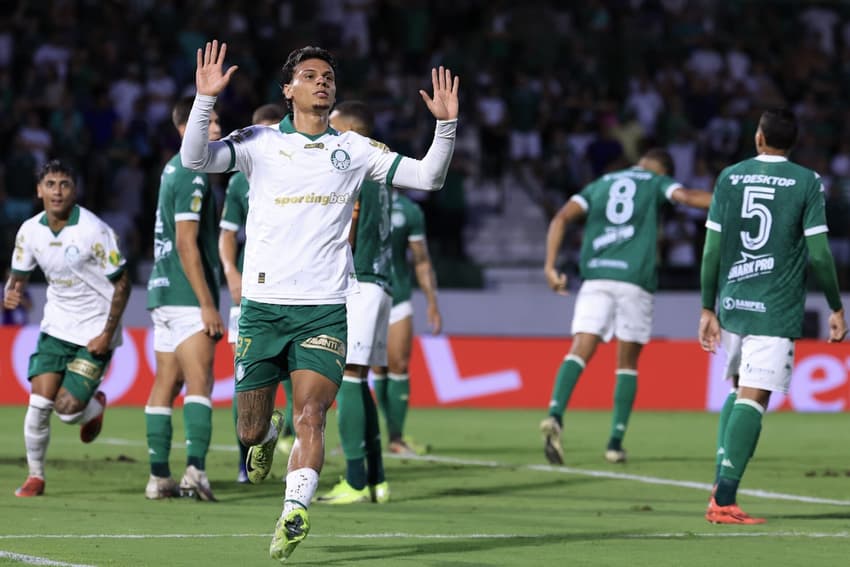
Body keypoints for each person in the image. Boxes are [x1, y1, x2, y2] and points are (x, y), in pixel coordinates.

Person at [181, 41, 458, 562]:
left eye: (328, 75)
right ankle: (266, 436)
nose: (321, 81)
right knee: (249, 429)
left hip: (324, 308)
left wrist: (444, 127)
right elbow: (196, 157)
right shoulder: (258, 142)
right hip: (263, 308)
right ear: (288, 90)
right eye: (309, 75)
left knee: (312, 413)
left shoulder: (353, 149)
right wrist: (202, 101)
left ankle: (294, 510)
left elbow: (430, 177)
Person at [699, 108, 847, 524]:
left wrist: (707, 306)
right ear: (792, 144)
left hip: (732, 301)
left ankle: (718, 484)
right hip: (775, 305)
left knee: (736, 389)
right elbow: (819, 252)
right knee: (755, 397)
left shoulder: (730, 175)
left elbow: (712, 249)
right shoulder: (806, 181)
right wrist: (836, 306)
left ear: (759, 138)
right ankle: (724, 500)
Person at [541, 148, 712, 465]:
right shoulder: (656, 182)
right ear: (663, 171)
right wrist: (730, 202)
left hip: (596, 276)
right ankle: (614, 443)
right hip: (634, 279)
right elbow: (687, 197)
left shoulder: (600, 184)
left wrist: (551, 267)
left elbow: (561, 217)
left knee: (580, 347)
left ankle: (555, 413)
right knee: (627, 363)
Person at [4, 159, 130, 497]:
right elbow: (17, 275)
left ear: (74, 190)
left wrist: (107, 333)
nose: (57, 191)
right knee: (39, 406)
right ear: (39, 190)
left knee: (67, 412)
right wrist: (11, 292)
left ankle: (93, 406)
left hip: (94, 332)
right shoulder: (30, 230)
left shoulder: (94, 230)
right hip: (56, 328)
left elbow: (122, 284)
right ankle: (35, 476)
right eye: (50, 184)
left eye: (64, 184)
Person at [144, 96, 224, 502]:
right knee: (199, 380)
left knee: (166, 381)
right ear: (184, 128)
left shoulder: (171, 169)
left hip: (161, 289)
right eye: (208, 123)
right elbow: (187, 243)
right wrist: (208, 303)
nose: (216, 129)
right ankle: (195, 470)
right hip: (186, 293)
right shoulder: (192, 172)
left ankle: (159, 477)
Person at [316, 100, 391, 505]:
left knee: (347, 377)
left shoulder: (355, 162)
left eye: (337, 126)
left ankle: (357, 481)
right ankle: (377, 478)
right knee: (361, 381)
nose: (332, 133)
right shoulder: (382, 161)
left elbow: (354, 217)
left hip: (359, 278)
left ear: (353, 130)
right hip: (382, 279)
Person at [218, 102, 295, 484]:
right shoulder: (238, 181)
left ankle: (296, 457)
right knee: (246, 375)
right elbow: (227, 235)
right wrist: (231, 272)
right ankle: (244, 458)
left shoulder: (302, 168)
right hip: (253, 288)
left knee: (298, 379)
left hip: (298, 288)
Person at [371, 189, 441, 456]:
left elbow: (421, 261)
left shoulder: (409, 210)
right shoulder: (358, 196)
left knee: (398, 364)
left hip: (398, 295)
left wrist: (432, 302)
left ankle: (396, 436)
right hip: (364, 293)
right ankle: (367, 433)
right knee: (375, 367)